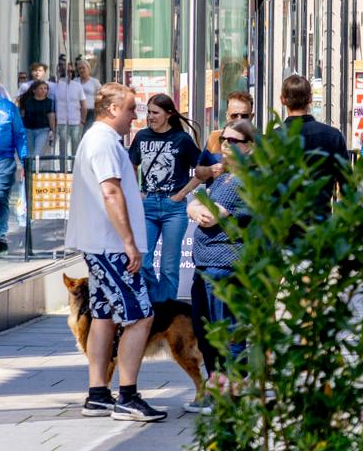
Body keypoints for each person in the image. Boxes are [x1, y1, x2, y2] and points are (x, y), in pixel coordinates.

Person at [66, 83, 167, 422]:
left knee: (105, 316)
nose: (135, 117)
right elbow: (111, 192)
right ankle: (127, 396)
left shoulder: (99, 139)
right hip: (111, 247)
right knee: (140, 316)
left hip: (102, 245)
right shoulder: (104, 141)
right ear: (111, 109)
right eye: (129, 109)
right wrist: (128, 242)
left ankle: (98, 394)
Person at [186, 118, 256, 408]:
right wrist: (195, 206)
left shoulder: (246, 182)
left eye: (233, 141)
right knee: (205, 333)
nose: (225, 145)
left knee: (227, 332)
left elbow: (209, 215)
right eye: (223, 140)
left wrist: (198, 207)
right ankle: (219, 389)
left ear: (249, 147)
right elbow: (193, 202)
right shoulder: (223, 178)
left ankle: (235, 393)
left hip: (225, 268)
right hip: (205, 266)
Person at [129, 94, 202, 303]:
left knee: (169, 266)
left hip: (173, 208)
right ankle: (155, 305)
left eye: (155, 113)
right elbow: (131, 165)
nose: (150, 117)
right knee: (143, 261)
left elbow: (201, 171)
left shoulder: (182, 139)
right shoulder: (142, 137)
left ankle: (166, 313)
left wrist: (181, 194)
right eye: (148, 112)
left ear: (169, 115)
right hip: (148, 205)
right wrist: (138, 192)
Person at [275, 74, 349, 227]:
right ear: (310, 99)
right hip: (320, 226)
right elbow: (348, 186)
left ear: (282, 99)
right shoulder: (333, 136)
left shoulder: (270, 140)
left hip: (283, 229)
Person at [0, 81, 26, 255]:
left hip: (4, 159)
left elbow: (19, 134)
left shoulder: (9, 108)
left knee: (1, 196)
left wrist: (24, 159)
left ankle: (0, 237)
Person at [194, 91, 254, 183]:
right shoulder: (215, 137)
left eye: (244, 116)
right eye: (234, 115)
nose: (239, 120)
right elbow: (198, 172)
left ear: (252, 116)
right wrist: (210, 170)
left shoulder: (261, 143)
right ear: (227, 116)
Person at [52, 62, 85, 159]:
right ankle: (63, 170)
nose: (69, 73)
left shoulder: (78, 86)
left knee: (76, 148)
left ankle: (75, 169)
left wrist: (82, 120)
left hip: (75, 121)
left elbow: (84, 104)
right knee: (63, 148)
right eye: (67, 71)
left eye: (71, 71)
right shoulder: (56, 86)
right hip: (62, 121)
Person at [19, 79, 55, 162]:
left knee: (37, 153)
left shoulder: (49, 102)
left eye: (45, 88)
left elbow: (51, 116)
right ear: (34, 90)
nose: (43, 90)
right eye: (41, 88)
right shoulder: (27, 101)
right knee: (30, 154)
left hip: (43, 130)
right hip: (28, 130)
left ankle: (35, 172)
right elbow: (22, 115)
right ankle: (30, 173)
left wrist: (53, 131)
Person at [76, 60, 100, 127]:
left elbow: (100, 96)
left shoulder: (95, 82)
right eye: (79, 69)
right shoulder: (75, 81)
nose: (81, 70)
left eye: (83, 68)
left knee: (87, 131)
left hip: (90, 111)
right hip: (77, 111)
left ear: (88, 69)